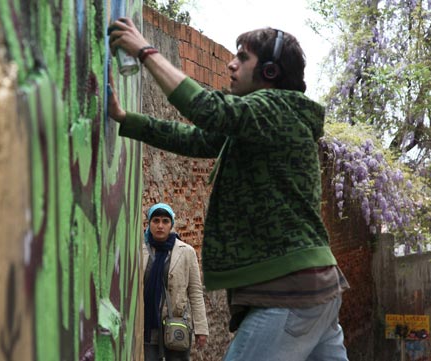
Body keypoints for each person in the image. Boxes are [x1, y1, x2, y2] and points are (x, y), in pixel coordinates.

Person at [108, 18, 350, 361]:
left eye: (242, 57)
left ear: (269, 72)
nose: (231, 63)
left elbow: (207, 109)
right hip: (317, 291)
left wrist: (146, 52)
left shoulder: (277, 111)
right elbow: (197, 138)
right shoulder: (262, 122)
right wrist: (125, 119)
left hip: (288, 294)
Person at [142, 203, 208, 361]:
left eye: (165, 221)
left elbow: (195, 291)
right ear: (149, 223)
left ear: (171, 224)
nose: (160, 226)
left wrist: (201, 328)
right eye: (155, 220)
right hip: (147, 326)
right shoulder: (140, 250)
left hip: (175, 325)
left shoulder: (186, 252)